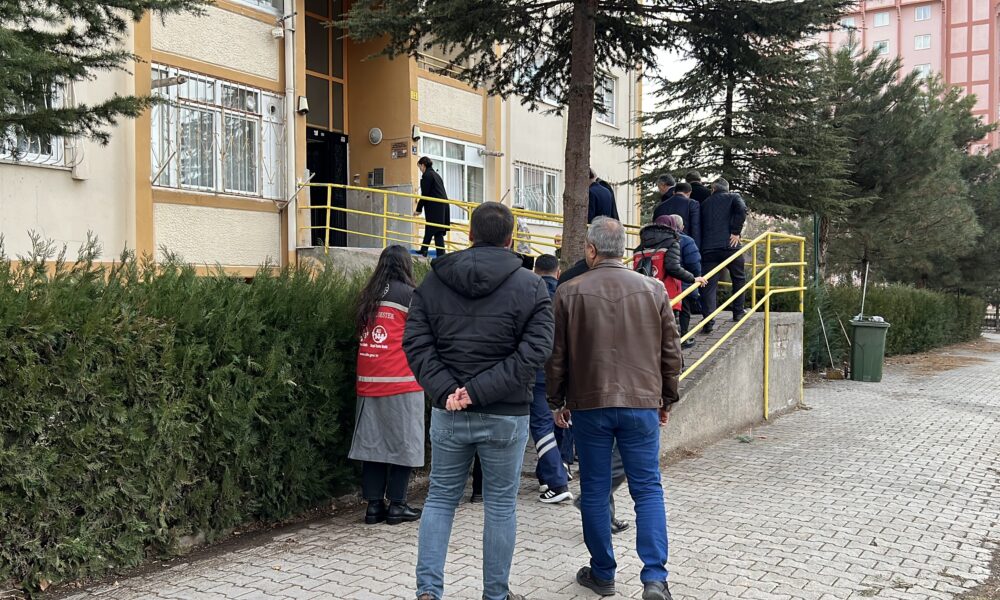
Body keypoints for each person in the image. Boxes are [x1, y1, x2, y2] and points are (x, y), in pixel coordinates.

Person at [404, 202, 555, 600]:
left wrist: (448, 390)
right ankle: (495, 594)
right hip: (505, 413)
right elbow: (535, 351)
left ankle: (428, 592)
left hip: (450, 410)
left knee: (440, 499)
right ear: (510, 239)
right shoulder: (531, 286)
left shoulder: (433, 282)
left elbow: (416, 344)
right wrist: (478, 390)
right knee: (501, 506)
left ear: (469, 234)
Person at [547, 217, 683, 600]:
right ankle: (654, 579)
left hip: (589, 405)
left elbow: (556, 357)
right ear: (622, 249)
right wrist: (667, 398)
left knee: (594, 489)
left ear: (591, 249)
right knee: (648, 489)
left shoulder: (568, 291)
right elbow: (670, 352)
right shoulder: (654, 289)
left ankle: (603, 573)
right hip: (642, 403)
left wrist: (556, 401)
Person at [349, 245, 425, 526]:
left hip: (368, 380)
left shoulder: (368, 295)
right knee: (404, 443)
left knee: (373, 444)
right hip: (401, 379)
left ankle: (373, 507)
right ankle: (397, 505)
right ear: (406, 266)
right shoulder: (410, 295)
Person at [557, 255, 632, 536]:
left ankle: (602, 515)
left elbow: (559, 351)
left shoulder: (569, 282)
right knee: (620, 456)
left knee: (598, 459)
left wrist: (558, 398)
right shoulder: (632, 283)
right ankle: (593, 504)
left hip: (586, 387)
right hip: (618, 385)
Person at [531, 254, 573, 503]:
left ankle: (557, 483)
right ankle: (551, 472)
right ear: (558, 273)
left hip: (538, 370)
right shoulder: (567, 295)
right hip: (566, 370)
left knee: (541, 425)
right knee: (560, 419)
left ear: (534, 271)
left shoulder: (530, 294)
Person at [700, 178, 748, 332]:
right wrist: (736, 232)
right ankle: (738, 312)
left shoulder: (705, 203)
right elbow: (742, 210)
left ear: (713, 189)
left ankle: (708, 322)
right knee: (738, 278)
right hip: (730, 246)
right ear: (726, 188)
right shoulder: (734, 197)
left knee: (708, 285)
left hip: (708, 249)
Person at [658, 215, 703, 349]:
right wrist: (695, 277)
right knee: (683, 311)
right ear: (681, 227)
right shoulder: (685, 241)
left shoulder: (651, 241)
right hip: (681, 281)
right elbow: (693, 263)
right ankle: (682, 338)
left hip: (658, 282)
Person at [414, 156, 451, 257]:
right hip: (442, 206)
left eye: (420, 167)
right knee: (430, 227)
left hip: (436, 206)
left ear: (423, 165)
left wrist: (418, 209)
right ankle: (424, 249)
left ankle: (441, 256)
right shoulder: (436, 175)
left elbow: (425, 194)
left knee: (437, 231)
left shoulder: (427, 175)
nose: (420, 170)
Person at [652, 182, 701, 248]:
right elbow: (695, 227)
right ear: (689, 193)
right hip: (683, 244)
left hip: (662, 246)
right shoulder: (692, 204)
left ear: (674, 192)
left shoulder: (660, 207)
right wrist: (696, 247)